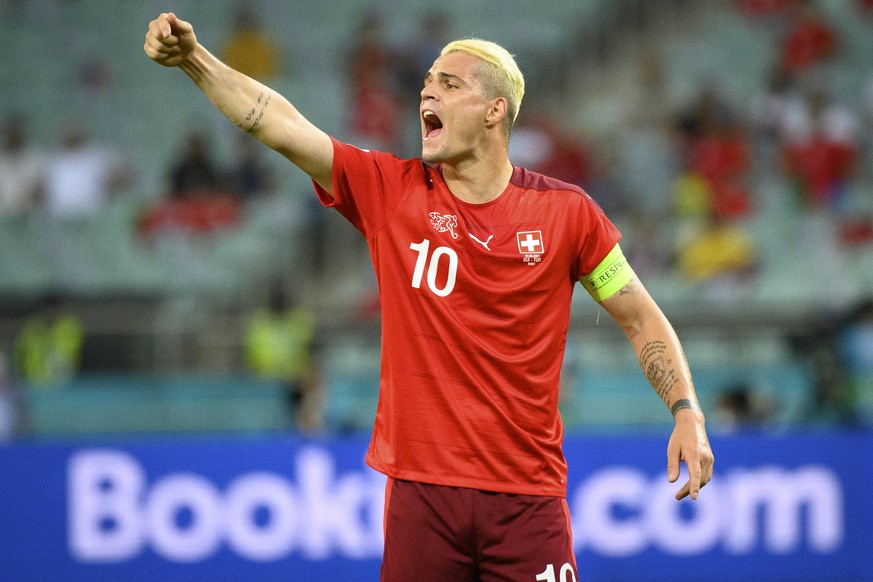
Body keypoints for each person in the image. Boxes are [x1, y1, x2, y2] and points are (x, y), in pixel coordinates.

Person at [145, 14, 714, 580]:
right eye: (426, 83)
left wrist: (686, 411)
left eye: (449, 83)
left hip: (527, 499)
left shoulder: (569, 215)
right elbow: (280, 125)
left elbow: (640, 317)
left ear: (495, 110)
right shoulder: (391, 193)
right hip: (422, 500)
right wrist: (195, 60)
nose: (426, 91)